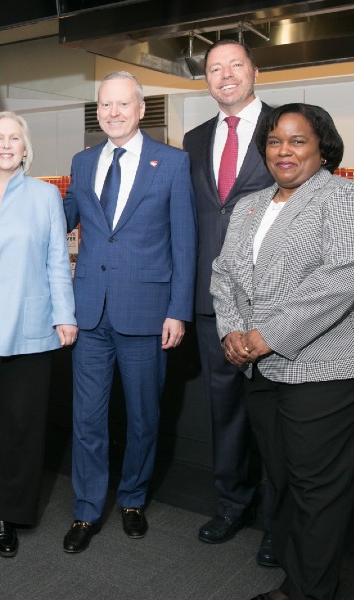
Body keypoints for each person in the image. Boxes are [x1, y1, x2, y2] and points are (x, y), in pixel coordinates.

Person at [212, 103, 354, 600]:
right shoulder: (249, 205)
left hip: (321, 371)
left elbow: (342, 279)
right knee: (286, 483)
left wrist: (268, 336)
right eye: (275, 141)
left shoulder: (340, 197)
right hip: (259, 372)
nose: (284, 151)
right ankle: (299, 583)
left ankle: (309, 593)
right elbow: (223, 274)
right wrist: (232, 331)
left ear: (322, 148)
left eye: (297, 141)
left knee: (317, 491)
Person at [61, 71, 197, 554]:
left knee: (142, 417)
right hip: (90, 313)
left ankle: (134, 499)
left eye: (122, 105)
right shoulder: (82, 161)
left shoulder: (173, 163)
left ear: (141, 109)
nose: (113, 113)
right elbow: (62, 222)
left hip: (148, 312)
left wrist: (178, 310)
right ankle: (86, 509)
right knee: (88, 419)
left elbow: (185, 242)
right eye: (105, 105)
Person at [0, 112, 77, 558]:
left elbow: (57, 260)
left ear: (25, 149)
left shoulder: (44, 196)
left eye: (14, 139)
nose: (5, 145)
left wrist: (65, 316)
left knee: (21, 424)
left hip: (29, 326)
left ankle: (10, 513)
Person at [182, 38, 277, 566]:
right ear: (206, 81)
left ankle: (275, 518)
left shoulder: (285, 128)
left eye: (235, 65)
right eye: (214, 69)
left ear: (253, 71)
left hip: (272, 303)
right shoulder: (194, 140)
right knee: (225, 413)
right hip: (211, 300)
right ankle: (231, 504)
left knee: (274, 418)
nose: (225, 75)